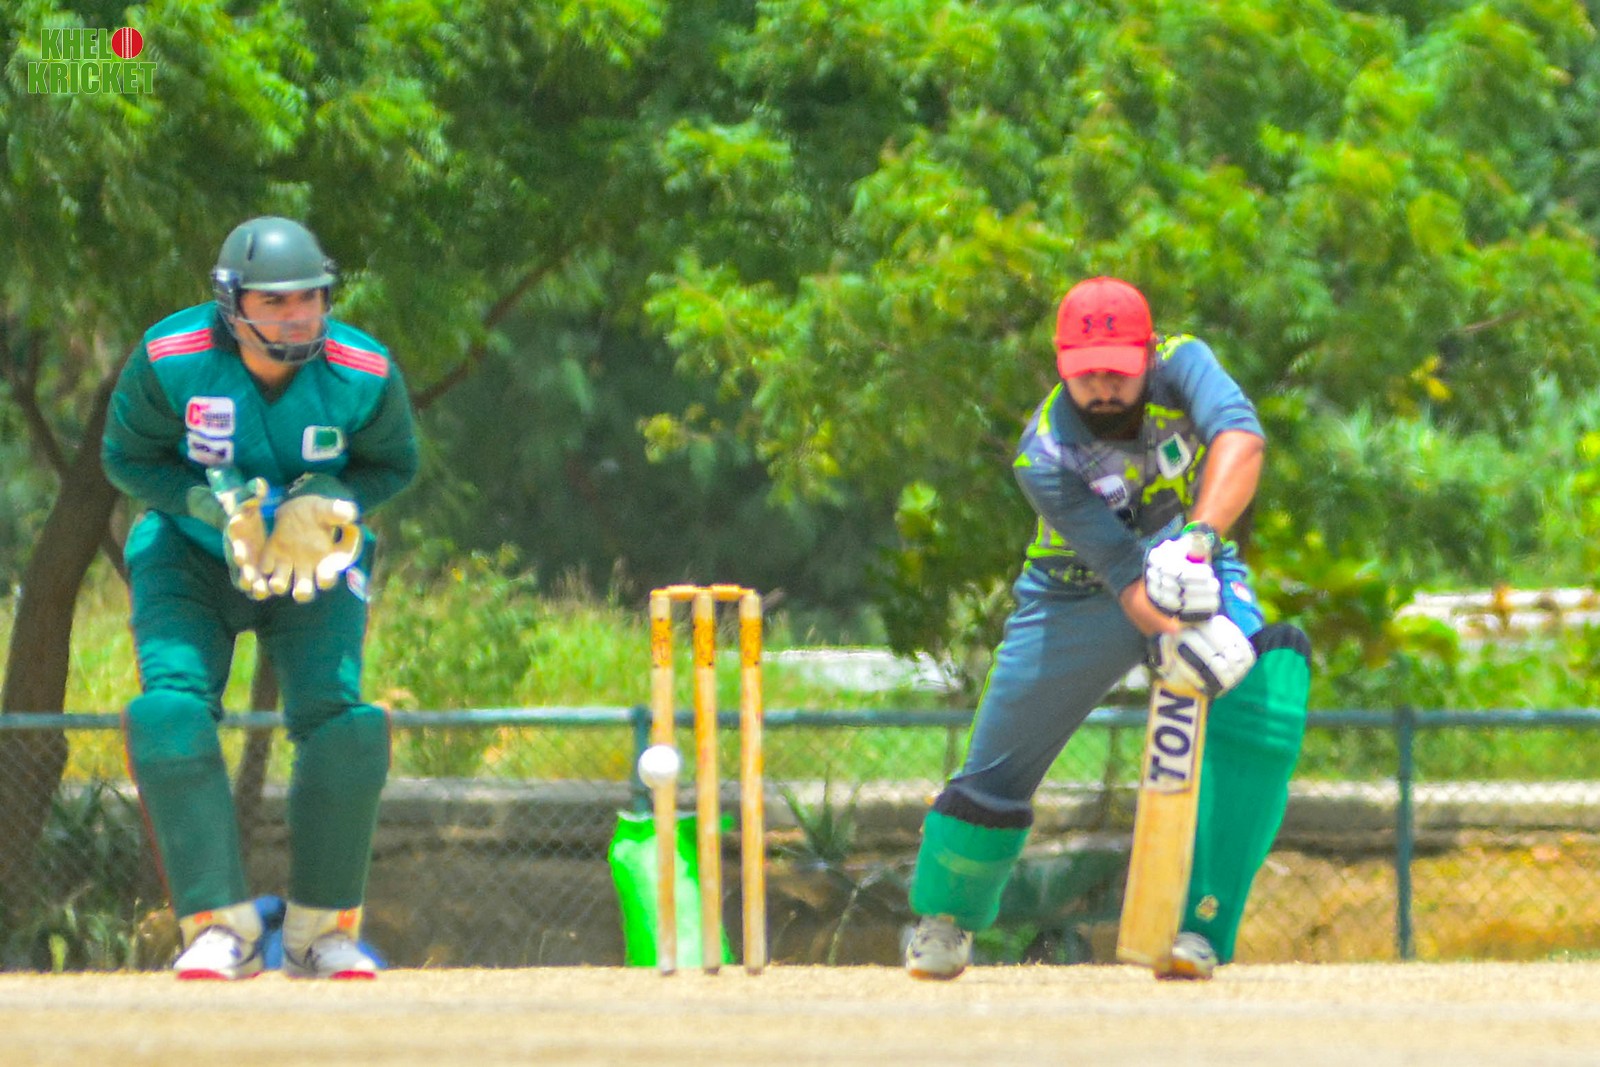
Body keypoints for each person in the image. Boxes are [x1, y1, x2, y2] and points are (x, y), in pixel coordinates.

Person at [903, 277, 1310, 981]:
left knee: (1270, 673)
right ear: (1061, 365)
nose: (1102, 388)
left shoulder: (1184, 364)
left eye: (1118, 371)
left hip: (1195, 561)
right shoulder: (1043, 454)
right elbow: (1125, 577)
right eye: (1086, 373)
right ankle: (944, 918)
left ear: (1147, 355)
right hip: (1075, 592)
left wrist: (1200, 543)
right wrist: (1174, 635)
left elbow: (1241, 441)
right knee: (995, 771)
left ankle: (1202, 924)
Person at [102, 216, 419, 980]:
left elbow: (393, 464)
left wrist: (331, 495)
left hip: (310, 564)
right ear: (231, 302)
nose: (297, 315)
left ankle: (321, 933)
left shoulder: (364, 370)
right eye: (275, 302)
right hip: (191, 556)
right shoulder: (171, 357)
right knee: (169, 712)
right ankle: (220, 927)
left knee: (344, 725)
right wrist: (206, 507)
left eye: (310, 298)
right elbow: (126, 456)